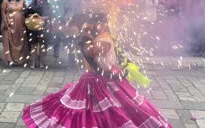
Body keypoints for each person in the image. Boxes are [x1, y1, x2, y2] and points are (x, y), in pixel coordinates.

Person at [21, 15, 172, 127]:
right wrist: (84, 38)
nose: (93, 26)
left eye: (96, 24)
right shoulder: (101, 37)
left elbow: (91, 54)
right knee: (92, 104)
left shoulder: (104, 40)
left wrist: (83, 41)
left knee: (113, 107)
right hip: (99, 76)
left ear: (103, 25)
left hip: (101, 77)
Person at [1, 0, 28, 67]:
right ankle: (9, 60)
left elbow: (27, 10)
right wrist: (5, 23)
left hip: (20, 24)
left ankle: (21, 60)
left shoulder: (22, 0)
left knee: (21, 40)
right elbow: (2, 12)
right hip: (9, 23)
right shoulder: (5, 1)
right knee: (8, 40)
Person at [25, 0, 48, 69]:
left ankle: (41, 63)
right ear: (36, 0)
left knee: (42, 46)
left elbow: (49, 16)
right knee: (33, 46)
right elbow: (26, 14)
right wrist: (32, 16)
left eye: (41, 0)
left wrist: (42, 17)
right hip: (33, 28)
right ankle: (33, 63)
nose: (39, 1)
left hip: (43, 28)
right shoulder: (31, 5)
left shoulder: (46, 6)